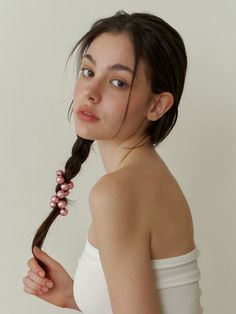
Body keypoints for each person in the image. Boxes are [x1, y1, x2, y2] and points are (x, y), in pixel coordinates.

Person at [23, 10, 203, 314]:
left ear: (157, 105)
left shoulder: (118, 192)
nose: (91, 92)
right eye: (89, 72)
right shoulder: (148, 178)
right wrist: (77, 297)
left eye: (118, 82)